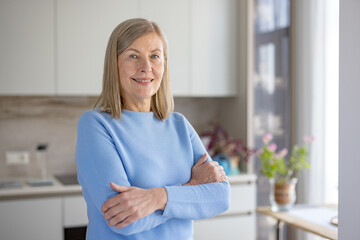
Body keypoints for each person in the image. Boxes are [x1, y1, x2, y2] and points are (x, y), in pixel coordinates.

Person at [75, 18, 230, 240]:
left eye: (154, 56)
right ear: (114, 63)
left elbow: (221, 196)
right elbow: (124, 221)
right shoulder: (95, 125)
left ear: (164, 64)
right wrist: (193, 187)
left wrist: (159, 197)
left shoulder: (179, 125)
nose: (146, 67)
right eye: (133, 56)